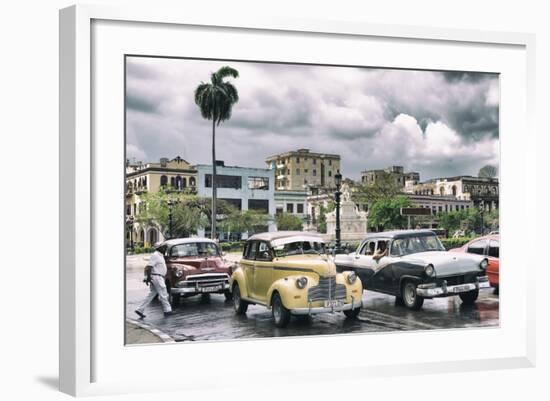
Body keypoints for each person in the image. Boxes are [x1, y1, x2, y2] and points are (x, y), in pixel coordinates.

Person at [135, 243, 173, 318]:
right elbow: (149, 267)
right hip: (157, 277)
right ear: (159, 248)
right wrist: (148, 278)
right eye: (164, 247)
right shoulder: (155, 255)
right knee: (163, 294)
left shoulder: (160, 255)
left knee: (151, 294)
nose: (165, 249)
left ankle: (140, 309)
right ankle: (167, 310)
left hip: (159, 277)